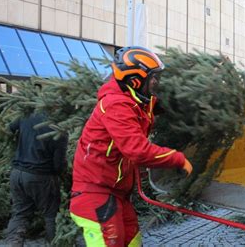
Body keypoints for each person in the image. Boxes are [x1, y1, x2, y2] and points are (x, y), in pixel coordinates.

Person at [69, 46, 193, 246]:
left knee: (133, 241)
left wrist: (185, 103)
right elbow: (138, 150)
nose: (156, 82)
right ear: (135, 80)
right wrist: (177, 158)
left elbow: (152, 105)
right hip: (95, 193)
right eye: (153, 78)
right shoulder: (116, 105)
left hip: (117, 193)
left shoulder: (135, 99)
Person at [5, 112, 68, 246]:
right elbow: (59, 165)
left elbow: (9, 129)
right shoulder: (59, 129)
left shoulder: (27, 114)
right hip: (41, 176)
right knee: (51, 216)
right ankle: (54, 244)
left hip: (17, 174)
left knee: (20, 214)